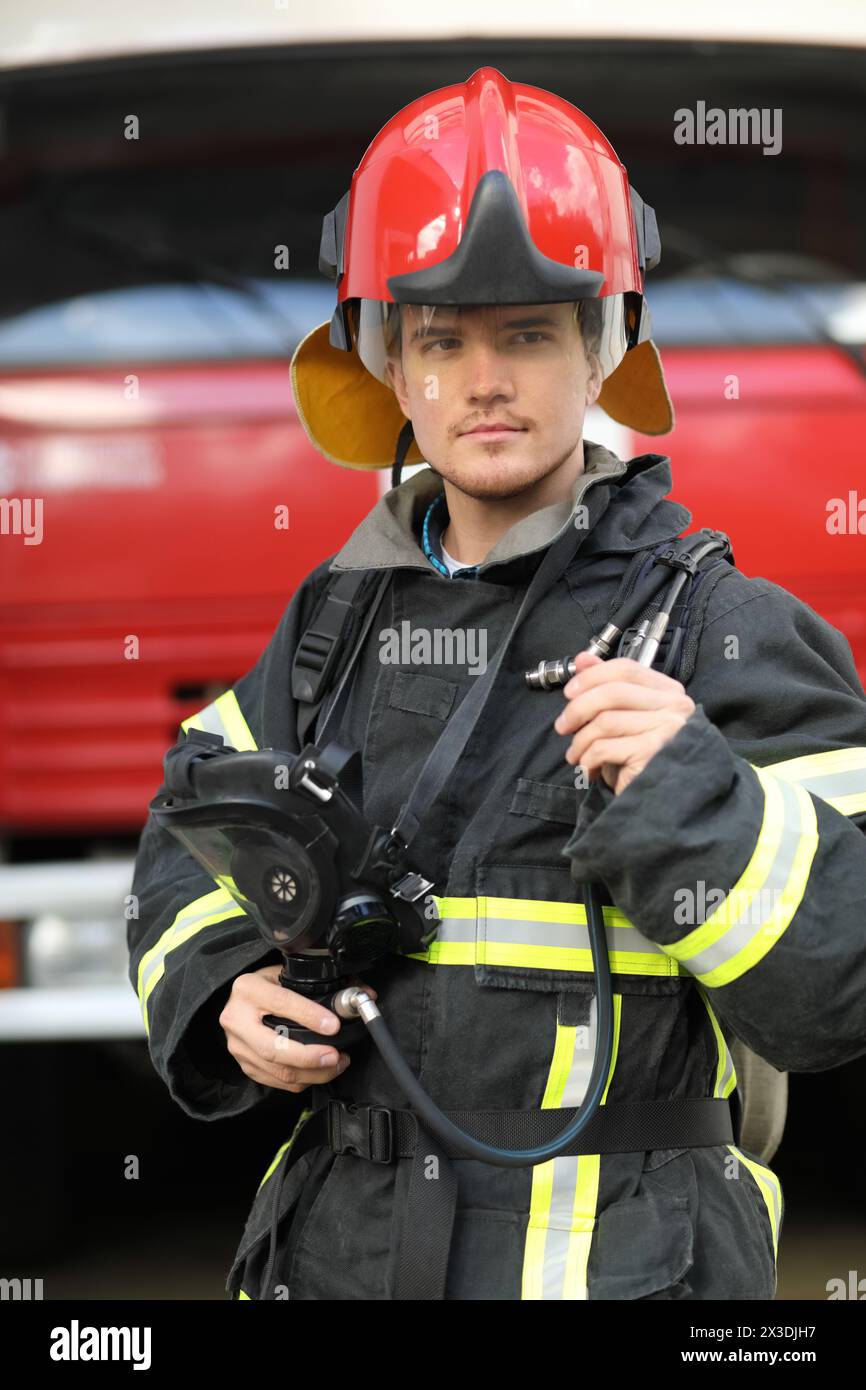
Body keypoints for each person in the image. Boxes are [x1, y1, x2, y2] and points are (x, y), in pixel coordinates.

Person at [128, 67, 866, 1301]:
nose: (483, 379)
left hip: (623, 1266)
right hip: (342, 1254)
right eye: (441, 339)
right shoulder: (329, 624)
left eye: (527, 332)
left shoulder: (722, 631)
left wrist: (694, 792)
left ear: (601, 353)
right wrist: (220, 994)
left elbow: (839, 988)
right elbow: (186, 821)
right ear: (389, 371)